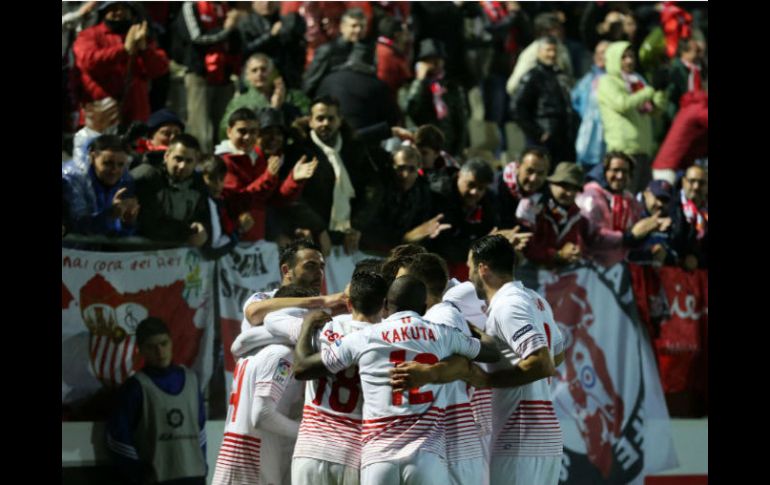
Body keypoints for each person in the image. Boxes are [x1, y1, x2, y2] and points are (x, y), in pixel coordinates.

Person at [292, 276, 500, 485]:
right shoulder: (442, 334)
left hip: (378, 460)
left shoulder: (366, 336)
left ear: (385, 304)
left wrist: (307, 326)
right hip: (426, 457)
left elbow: (302, 369)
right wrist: (471, 328)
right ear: (424, 307)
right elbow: (492, 351)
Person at [394, 235, 563, 485]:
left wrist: (487, 379)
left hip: (519, 435)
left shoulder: (509, 305)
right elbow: (557, 355)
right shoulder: (535, 300)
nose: (469, 274)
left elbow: (542, 364)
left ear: (483, 269)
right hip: (542, 435)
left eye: (470, 266)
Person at [261, 271, 389, 485]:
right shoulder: (386, 339)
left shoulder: (327, 326)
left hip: (311, 450)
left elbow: (271, 319)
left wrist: (307, 324)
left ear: (349, 303)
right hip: (354, 453)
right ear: (384, 304)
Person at [394, 253, 487, 485]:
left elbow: (462, 365)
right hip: (441, 444)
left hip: (452, 446)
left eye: (401, 281)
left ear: (421, 289)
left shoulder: (441, 317)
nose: (395, 288)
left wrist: (429, 373)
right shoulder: (431, 318)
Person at [211, 285, 307, 485]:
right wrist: (308, 432)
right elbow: (262, 415)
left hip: (236, 457)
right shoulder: (282, 353)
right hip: (254, 466)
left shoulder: (248, 351)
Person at [106, 317, 207, 485]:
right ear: (140, 350)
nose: (160, 352)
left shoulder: (191, 380)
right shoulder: (135, 387)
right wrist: (138, 472)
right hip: (158, 477)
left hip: (194, 475)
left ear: (171, 342)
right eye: (151, 347)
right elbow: (117, 437)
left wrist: (202, 464)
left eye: (164, 343)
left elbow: (201, 428)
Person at [216, 107, 318, 242]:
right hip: (232, 241)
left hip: (257, 241)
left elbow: (272, 199)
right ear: (229, 131)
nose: (247, 137)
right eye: (242, 131)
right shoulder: (223, 162)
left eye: (253, 132)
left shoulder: (258, 159)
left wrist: (293, 180)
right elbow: (237, 200)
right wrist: (268, 177)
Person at [73, 1, 169, 126]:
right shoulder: (89, 35)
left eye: (123, 9)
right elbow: (88, 62)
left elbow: (159, 69)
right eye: (113, 9)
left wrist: (145, 49)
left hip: (136, 111)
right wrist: (123, 49)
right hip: (100, 111)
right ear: (104, 12)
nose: (118, 13)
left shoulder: (141, 35)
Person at [176, 1, 245, 152]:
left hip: (224, 76)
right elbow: (195, 36)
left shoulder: (228, 6)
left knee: (221, 128)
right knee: (201, 131)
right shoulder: (191, 6)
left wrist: (236, 27)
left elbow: (236, 42)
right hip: (200, 74)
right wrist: (226, 29)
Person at [577, 151, 667, 267]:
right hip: (587, 270)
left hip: (617, 273)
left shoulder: (631, 201)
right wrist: (626, 238)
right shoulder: (590, 196)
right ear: (605, 171)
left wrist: (649, 249)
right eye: (615, 170)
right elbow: (593, 237)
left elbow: (633, 241)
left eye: (624, 171)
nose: (620, 176)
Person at [597, 41, 665, 193]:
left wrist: (658, 99)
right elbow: (623, 104)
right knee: (625, 194)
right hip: (623, 150)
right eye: (624, 57)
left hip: (643, 149)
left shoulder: (638, 81)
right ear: (614, 59)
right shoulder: (607, 81)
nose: (629, 61)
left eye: (631, 56)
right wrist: (648, 92)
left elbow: (652, 112)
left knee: (643, 198)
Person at [360, 145, 447, 253]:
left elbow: (420, 230)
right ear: (392, 166)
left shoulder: (421, 193)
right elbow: (369, 228)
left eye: (411, 169)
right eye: (401, 168)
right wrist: (406, 238)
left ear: (418, 170)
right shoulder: (380, 187)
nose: (405, 175)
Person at [131, 133, 210, 247]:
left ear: (196, 162)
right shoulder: (147, 177)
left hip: (174, 258)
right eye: (178, 159)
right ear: (166, 156)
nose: (182, 166)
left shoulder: (198, 185)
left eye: (189, 161)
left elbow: (203, 217)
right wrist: (188, 232)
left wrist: (203, 231)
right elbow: (149, 224)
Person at [428, 159, 500, 280]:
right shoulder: (439, 195)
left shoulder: (488, 200)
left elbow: (490, 232)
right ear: (459, 175)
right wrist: (480, 246)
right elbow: (445, 246)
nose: (475, 192)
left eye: (481, 188)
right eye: (471, 185)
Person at [509, 36, 577, 164]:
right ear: (539, 52)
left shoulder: (560, 76)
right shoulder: (532, 76)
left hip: (562, 139)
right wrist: (538, 133)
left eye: (554, 51)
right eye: (548, 50)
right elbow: (517, 107)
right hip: (543, 141)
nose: (551, 54)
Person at [217, 53, 310, 141]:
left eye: (263, 69)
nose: (259, 74)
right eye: (254, 70)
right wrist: (273, 110)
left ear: (273, 73)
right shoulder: (239, 102)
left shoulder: (294, 97)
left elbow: (308, 120)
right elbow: (224, 131)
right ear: (247, 76)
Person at [62, 134, 139, 237]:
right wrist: (110, 214)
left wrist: (128, 222)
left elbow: (122, 234)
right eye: (108, 163)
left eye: (120, 164)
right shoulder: (73, 178)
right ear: (93, 157)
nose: (115, 170)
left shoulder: (125, 179)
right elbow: (76, 225)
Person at [406, 38, 468, 157]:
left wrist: (457, 154)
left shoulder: (452, 88)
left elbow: (461, 124)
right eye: (430, 60)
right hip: (421, 150)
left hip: (447, 149)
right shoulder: (410, 87)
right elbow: (410, 110)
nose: (435, 64)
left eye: (439, 59)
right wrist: (420, 81)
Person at [303, 7, 368, 97]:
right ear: (342, 27)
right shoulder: (328, 51)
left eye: (362, 26)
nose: (358, 30)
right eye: (354, 26)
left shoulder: (369, 50)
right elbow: (310, 83)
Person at [490, 147, 551, 230]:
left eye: (540, 173)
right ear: (518, 167)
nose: (533, 178)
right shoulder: (495, 189)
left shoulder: (547, 192)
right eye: (529, 171)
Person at [572, 40, 609, 168]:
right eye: (597, 53)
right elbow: (574, 102)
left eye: (604, 52)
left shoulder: (619, 80)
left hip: (608, 137)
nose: (600, 56)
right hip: (587, 138)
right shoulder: (587, 79)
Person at [671, 165, 708, 270]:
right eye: (692, 181)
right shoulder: (670, 204)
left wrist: (697, 259)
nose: (696, 187)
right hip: (671, 269)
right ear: (683, 182)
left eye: (702, 183)